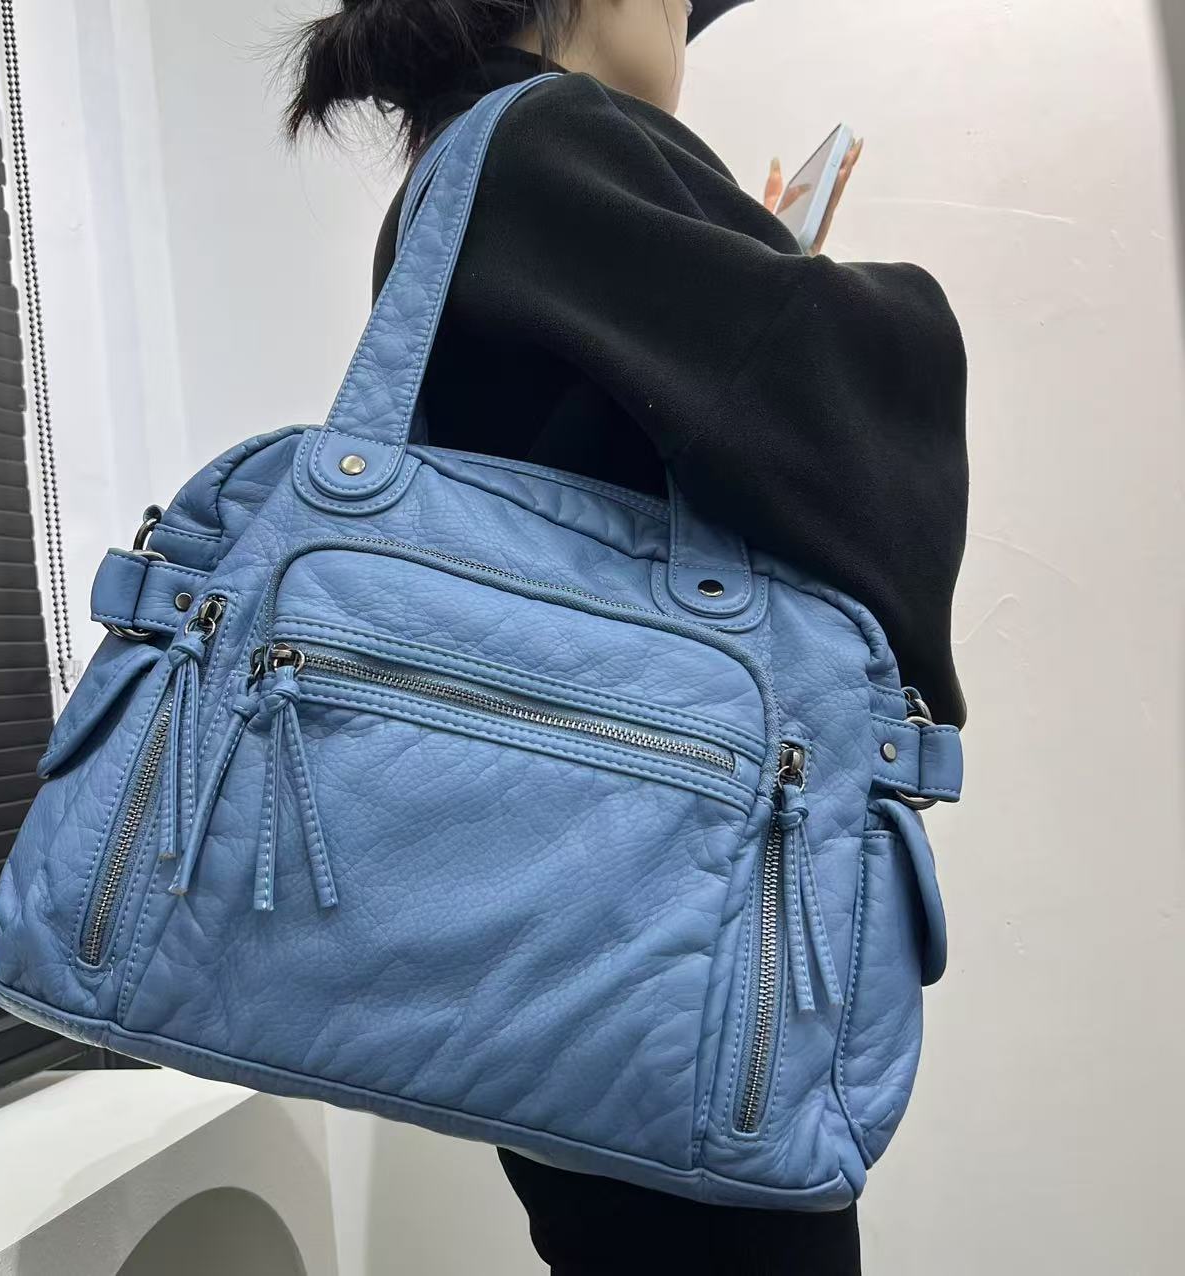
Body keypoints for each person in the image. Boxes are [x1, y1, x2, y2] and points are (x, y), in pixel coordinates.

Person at [284, 2, 968, 1271]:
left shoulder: (466, 162)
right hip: (663, 922)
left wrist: (745, 266)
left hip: (535, 915)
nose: (681, 31)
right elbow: (838, 415)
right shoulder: (557, 137)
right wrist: (796, 287)